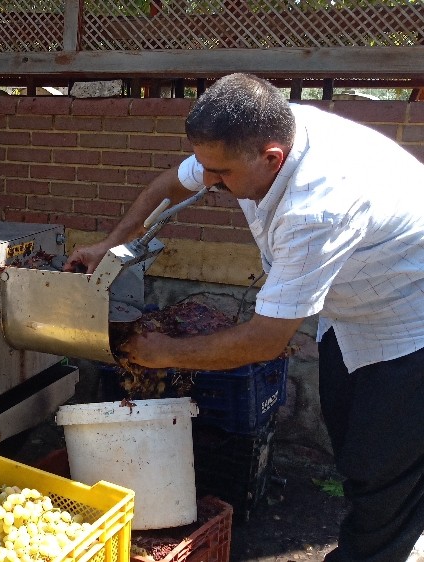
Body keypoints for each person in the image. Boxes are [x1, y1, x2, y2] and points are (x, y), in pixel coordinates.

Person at [66, 73, 424, 561]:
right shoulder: (255, 135)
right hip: (355, 314)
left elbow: (264, 341)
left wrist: (161, 353)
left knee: (382, 475)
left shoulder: (316, 208)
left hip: (410, 326)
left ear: (272, 157)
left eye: (221, 175)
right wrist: (111, 245)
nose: (208, 183)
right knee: (358, 455)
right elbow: (170, 184)